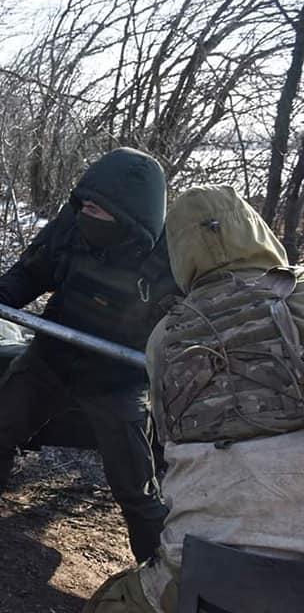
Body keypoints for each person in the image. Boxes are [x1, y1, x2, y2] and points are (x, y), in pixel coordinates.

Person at [0, 147, 179, 576]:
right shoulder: (73, 225)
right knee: (1, 428)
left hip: (118, 377)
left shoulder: (168, 258)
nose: (85, 212)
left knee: (134, 484)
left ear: (129, 217)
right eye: (83, 204)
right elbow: (34, 270)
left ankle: (161, 573)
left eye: (97, 209)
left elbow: (183, 330)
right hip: (54, 355)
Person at [83, 186, 304, 612]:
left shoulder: (167, 335)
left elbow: (169, 443)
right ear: (256, 231)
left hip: (209, 575)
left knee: (111, 603)